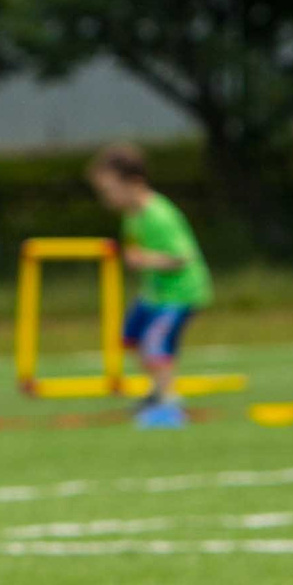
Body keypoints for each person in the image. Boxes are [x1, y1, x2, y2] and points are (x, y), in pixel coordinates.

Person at [85, 144, 213, 429]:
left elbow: (182, 257)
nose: (106, 197)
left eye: (109, 190)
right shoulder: (131, 216)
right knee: (130, 336)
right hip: (155, 294)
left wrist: (145, 259)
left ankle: (170, 404)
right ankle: (157, 391)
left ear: (134, 183)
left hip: (181, 293)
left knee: (156, 342)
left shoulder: (159, 214)